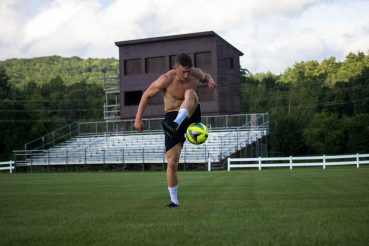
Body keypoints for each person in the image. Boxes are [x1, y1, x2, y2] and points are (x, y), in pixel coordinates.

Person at [134, 53, 217, 208]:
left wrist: (211, 80)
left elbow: (206, 77)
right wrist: (138, 118)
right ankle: (174, 201)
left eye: (188, 71)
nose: (186, 75)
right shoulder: (166, 79)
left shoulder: (195, 73)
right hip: (172, 114)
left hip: (191, 114)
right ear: (175, 68)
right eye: (183, 71)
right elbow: (146, 95)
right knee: (172, 162)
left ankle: (176, 124)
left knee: (190, 92)